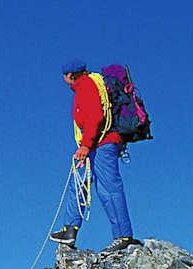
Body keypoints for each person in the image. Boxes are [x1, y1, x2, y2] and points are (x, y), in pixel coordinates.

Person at [49, 59, 143, 253]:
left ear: (70, 76)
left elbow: (95, 116)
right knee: (79, 183)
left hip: (102, 144)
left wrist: (85, 145)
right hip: (95, 144)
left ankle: (123, 235)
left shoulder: (85, 85)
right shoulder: (88, 84)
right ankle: (70, 230)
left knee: (108, 188)